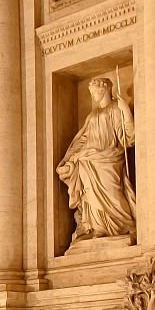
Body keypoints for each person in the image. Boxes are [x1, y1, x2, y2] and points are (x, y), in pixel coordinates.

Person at [57, 76, 136, 243]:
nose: (92, 95)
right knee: (90, 193)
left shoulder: (115, 109)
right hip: (88, 160)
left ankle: (122, 225)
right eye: (91, 92)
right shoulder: (92, 114)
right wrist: (69, 160)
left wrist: (126, 111)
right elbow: (83, 139)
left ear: (104, 89)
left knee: (113, 192)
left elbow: (127, 138)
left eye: (94, 91)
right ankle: (97, 227)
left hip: (110, 159)